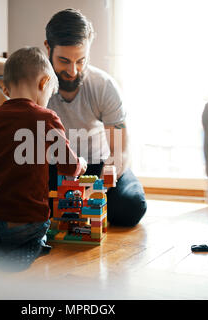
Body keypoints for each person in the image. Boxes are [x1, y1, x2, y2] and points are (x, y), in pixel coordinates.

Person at [0, 47, 88, 254]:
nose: (48, 101)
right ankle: (32, 245)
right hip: (24, 226)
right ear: (44, 83)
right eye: (49, 95)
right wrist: (81, 162)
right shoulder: (47, 118)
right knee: (43, 225)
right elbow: (69, 168)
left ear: (6, 89)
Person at [45, 8, 147, 227]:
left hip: (100, 165)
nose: (73, 70)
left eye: (81, 60)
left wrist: (99, 186)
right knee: (35, 204)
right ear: (48, 48)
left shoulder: (104, 86)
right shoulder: (38, 86)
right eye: (64, 60)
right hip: (58, 167)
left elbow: (120, 151)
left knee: (130, 206)